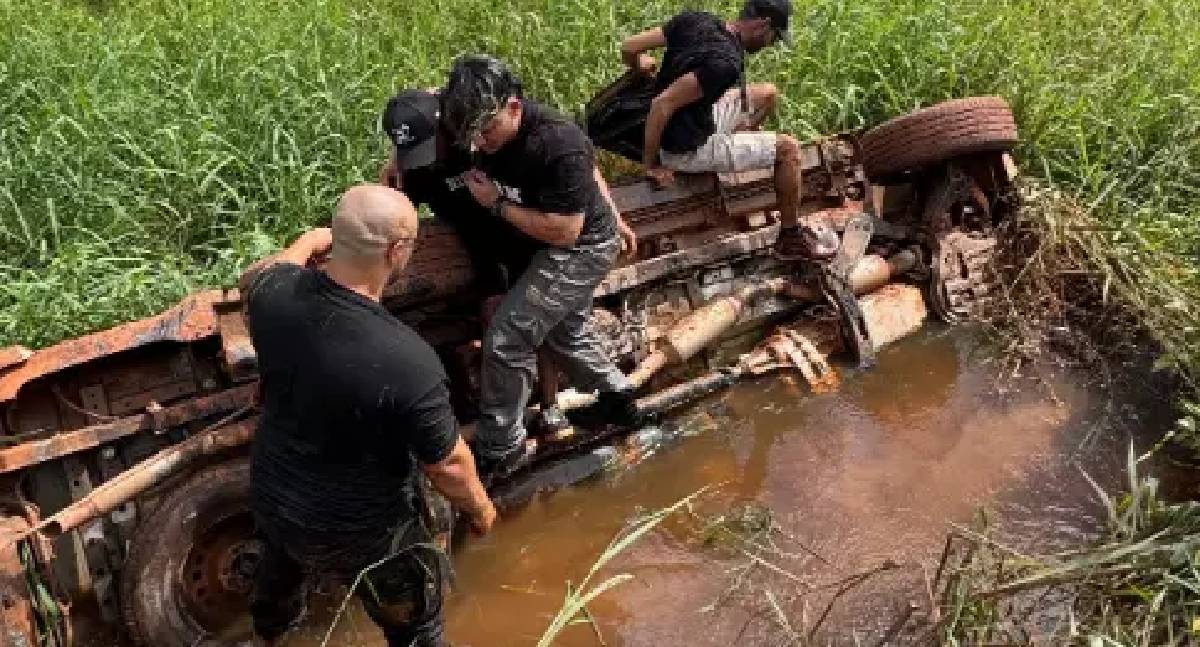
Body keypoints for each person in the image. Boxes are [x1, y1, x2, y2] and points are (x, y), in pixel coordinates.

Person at [238, 185, 496, 647]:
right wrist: (480, 511)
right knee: (416, 629)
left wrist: (307, 242)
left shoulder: (271, 295)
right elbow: (448, 465)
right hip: (365, 534)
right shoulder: (407, 359)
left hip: (274, 495)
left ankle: (269, 635)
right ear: (396, 251)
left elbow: (261, 273)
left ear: (334, 238)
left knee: (279, 581)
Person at [439, 54, 638, 480]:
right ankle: (618, 395)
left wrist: (496, 203)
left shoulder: (555, 142)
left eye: (487, 131)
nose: (479, 144)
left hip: (578, 247)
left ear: (513, 107)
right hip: (555, 241)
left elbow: (565, 232)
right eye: (471, 134)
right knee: (566, 333)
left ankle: (500, 444)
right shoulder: (476, 115)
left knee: (507, 338)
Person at [619, 0, 839, 259]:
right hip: (686, 147)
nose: (770, 44)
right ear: (763, 25)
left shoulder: (698, 19)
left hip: (694, 117)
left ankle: (735, 144)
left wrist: (639, 64)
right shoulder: (725, 64)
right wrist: (651, 164)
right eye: (774, 37)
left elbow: (629, 47)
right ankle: (789, 237)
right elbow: (661, 104)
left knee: (767, 94)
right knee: (788, 150)